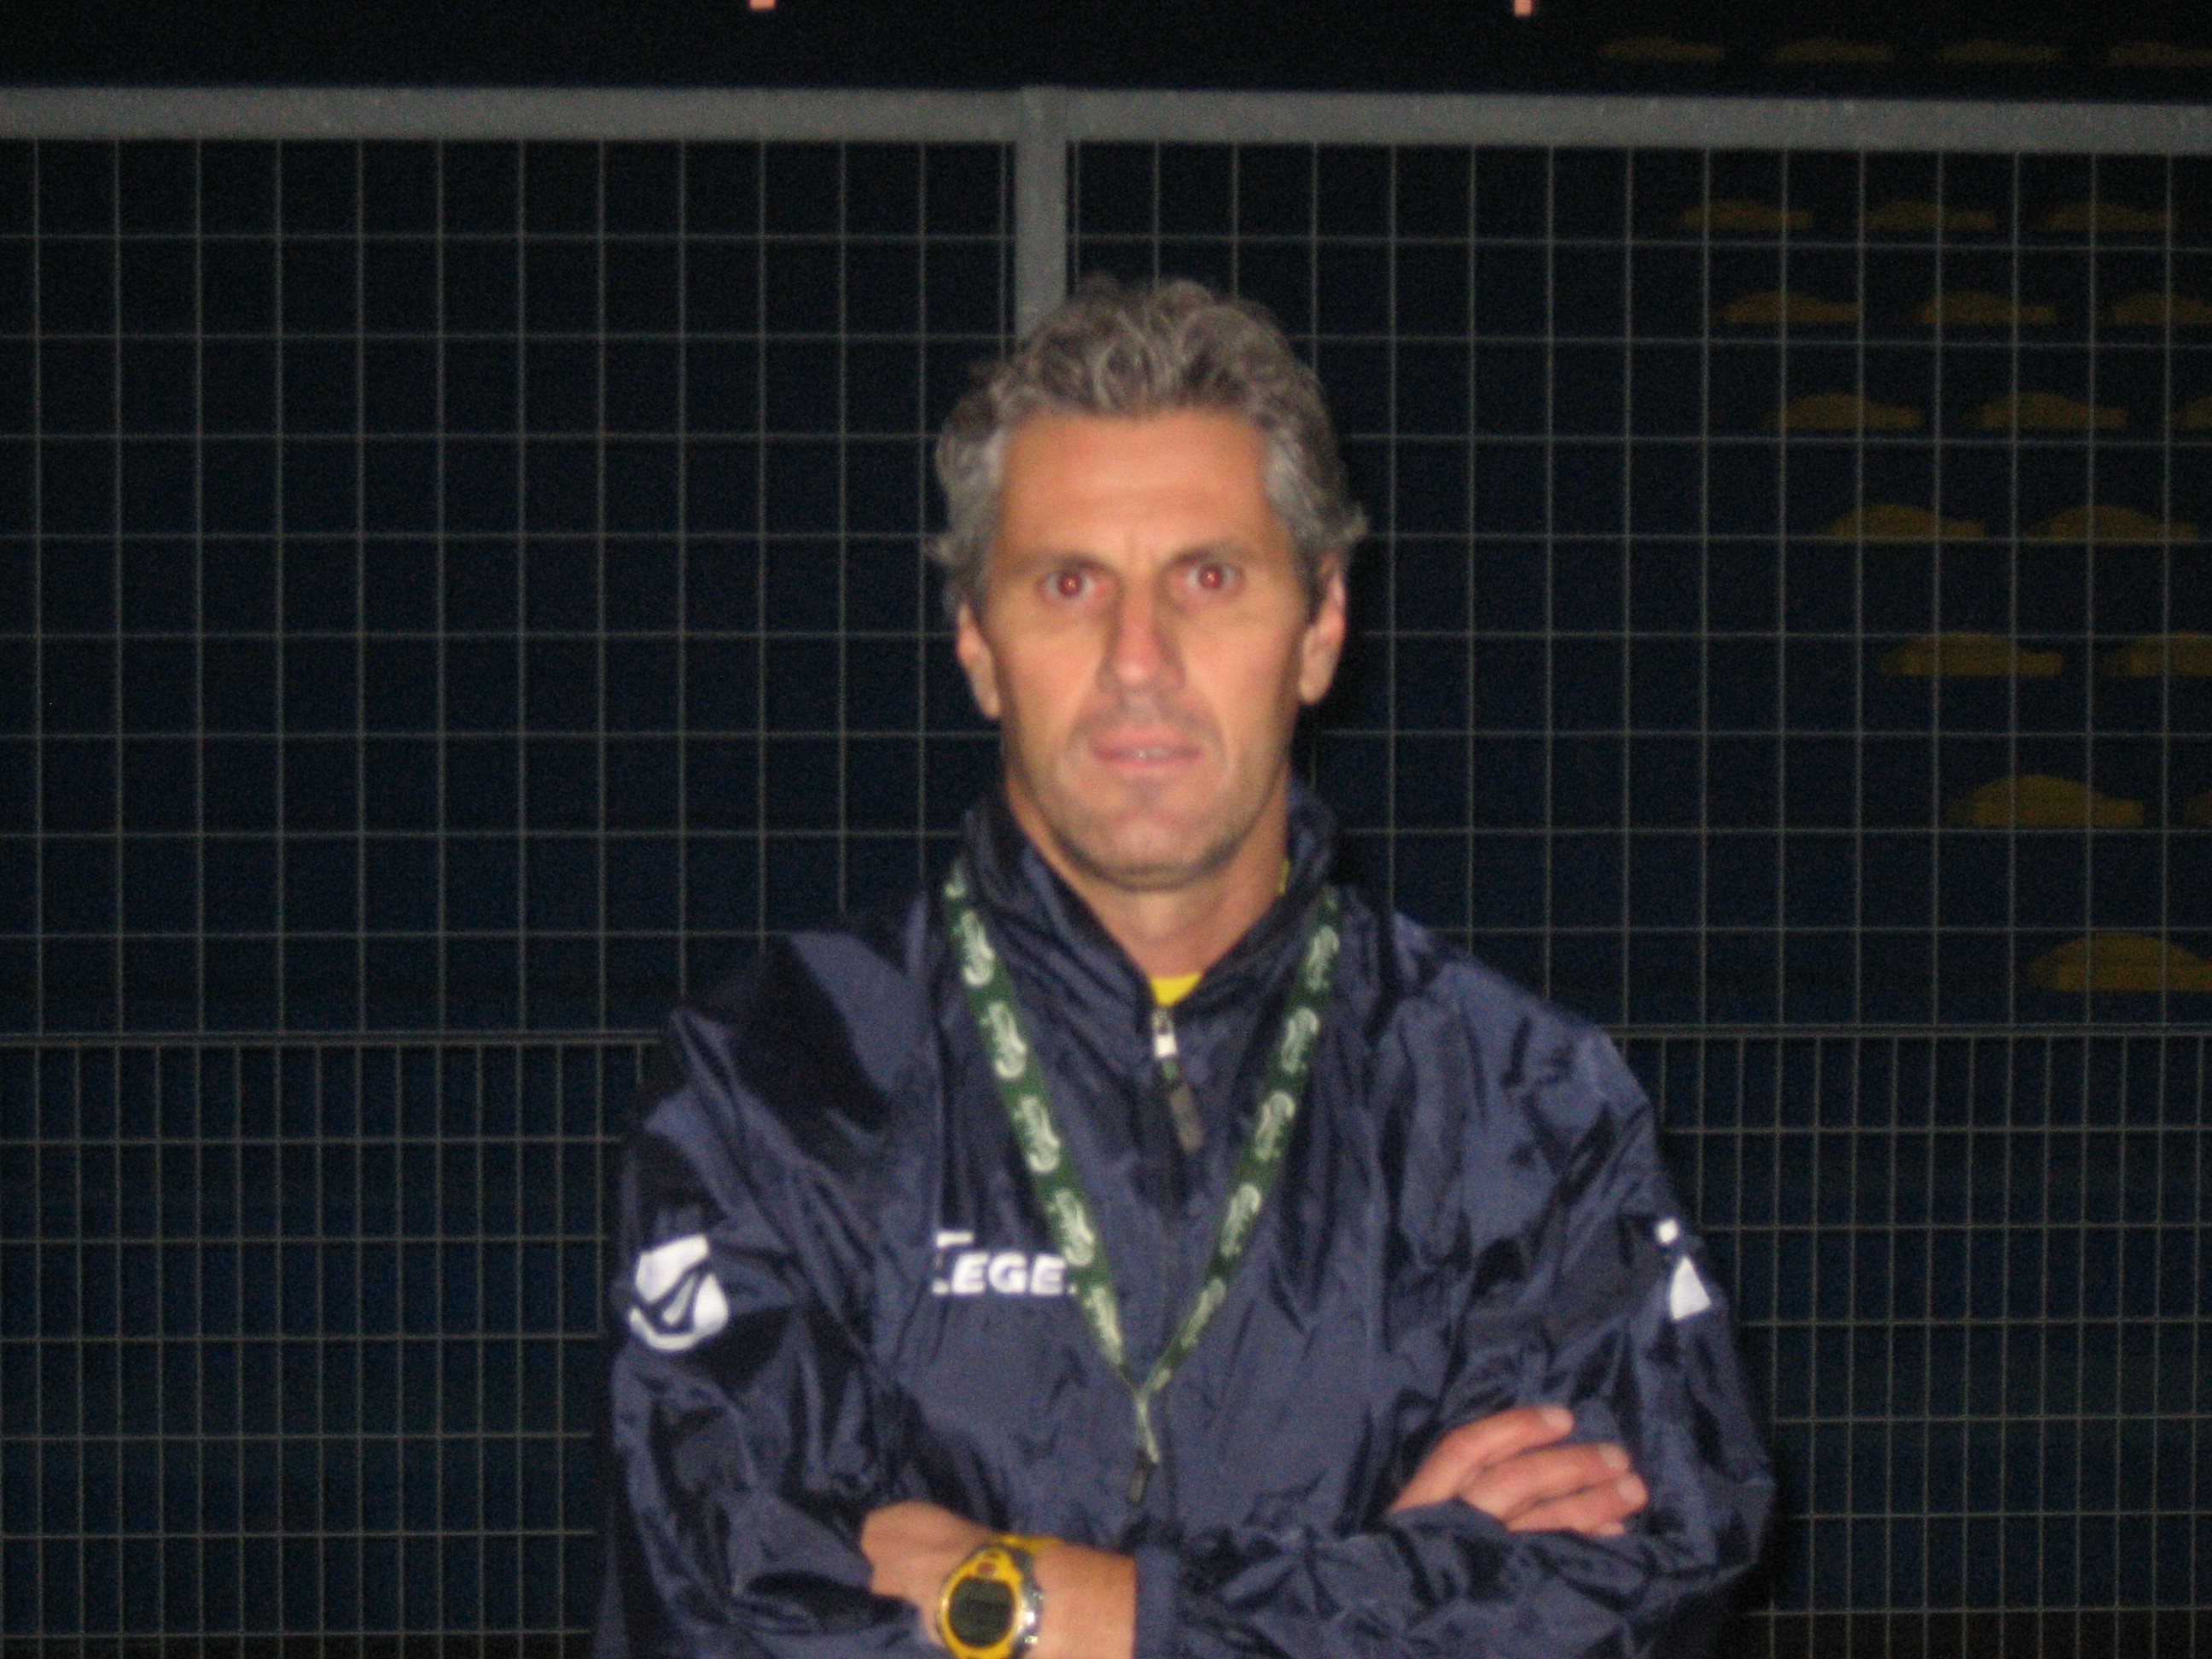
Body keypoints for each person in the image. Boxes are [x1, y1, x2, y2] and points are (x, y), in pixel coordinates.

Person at [595, 277, 1772, 1659]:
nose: (1137, 660)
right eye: (1069, 583)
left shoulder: (1522, 1107)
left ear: (1320, 629)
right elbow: (729, 1614)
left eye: (1209, 579)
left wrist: (1036, 1604)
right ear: (978, 643)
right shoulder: (776, 1084)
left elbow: (1636, 1589)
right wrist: (1391, 1587)